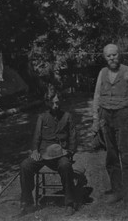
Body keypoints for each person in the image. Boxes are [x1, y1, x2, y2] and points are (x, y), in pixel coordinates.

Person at [92, 43, 128, 204]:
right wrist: (95, 119)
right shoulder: (102, 73)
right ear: (105, 58)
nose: (112, 58)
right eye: (109, 56)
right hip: (106, 117)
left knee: (126, 156)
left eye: (114, 55)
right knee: (111, 156)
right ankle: (117, 190)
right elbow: (97, 96)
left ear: (119, 55)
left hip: (124, 116)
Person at [19, 86, 77, 216]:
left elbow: (73, 137)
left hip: (61, 153)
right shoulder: (42, 117)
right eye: (52, 103)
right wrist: (34, 150)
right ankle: (27, 203)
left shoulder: (67, 117)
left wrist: (70, 152)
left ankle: (69, 203)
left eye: (56, 102)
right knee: (25, 166)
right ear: (47, 103)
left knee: (65, 165)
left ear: (60, 101)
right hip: (43, 154)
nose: (55, 106)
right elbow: (37, 136)